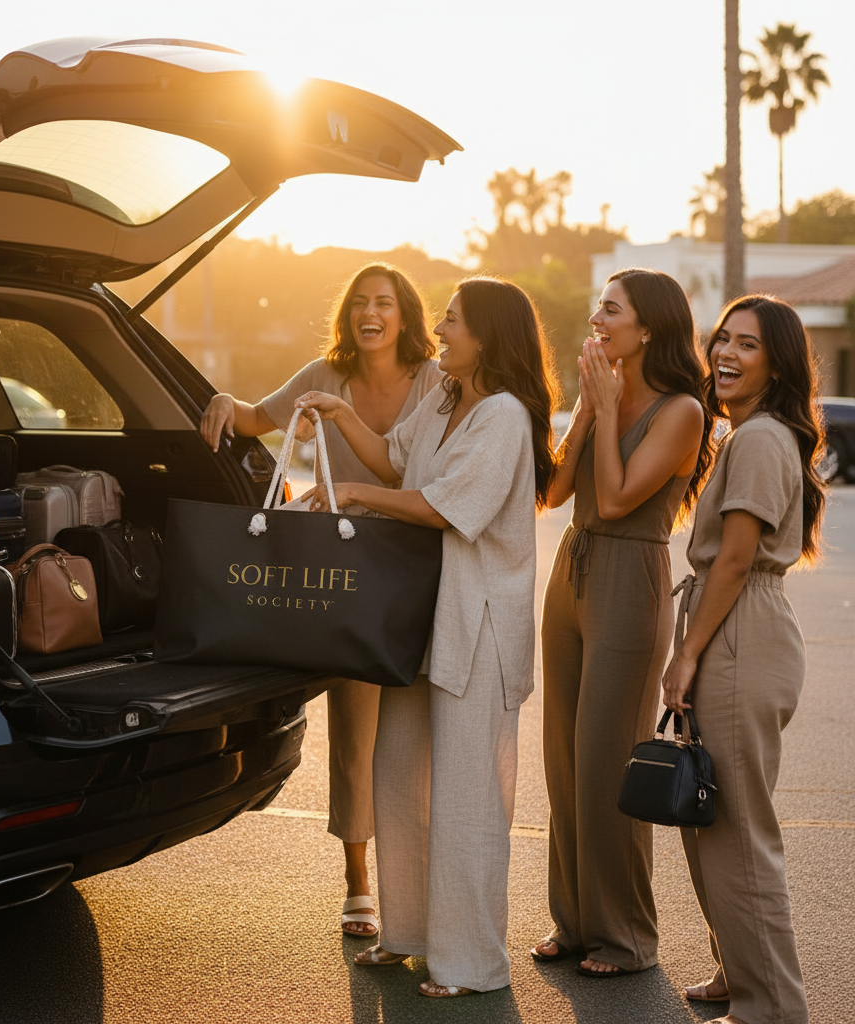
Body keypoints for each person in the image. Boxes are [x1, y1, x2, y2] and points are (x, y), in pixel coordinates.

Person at [296, 276, 559, 997]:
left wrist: (352, 494)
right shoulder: (447, 398)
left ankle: (472, 963)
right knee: (401, 772)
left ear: (487, 337)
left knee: (470, 797)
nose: (439, 329)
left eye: (452, 320)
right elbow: (391, 457)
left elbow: (446, 508)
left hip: (476, 625)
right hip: (419, 618)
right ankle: (408, 932)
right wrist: (338, 414)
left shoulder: (503, 415)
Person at [199, 264, 442, 938]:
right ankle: (358, 882)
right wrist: (224, 399)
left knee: (417, 736)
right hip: (345, 577)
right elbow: (254, 419)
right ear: (348, 314)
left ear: (405, 314)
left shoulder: (433, 380)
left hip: (420, 569)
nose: (371, 313)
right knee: (356, 735)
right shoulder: (322, 374)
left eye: (384, 303)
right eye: (360, 302)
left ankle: (416, 883)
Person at [535, 268, 713, 977]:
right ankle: (575, 923)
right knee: (564, 761)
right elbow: (554, 493)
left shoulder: (682, 411)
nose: (596, 318)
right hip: (571, 570)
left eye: (611, 308)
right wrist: (584, 411)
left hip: (629, 574)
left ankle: (627, 936)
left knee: (609, 762)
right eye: (597, 307)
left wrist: (608, 410)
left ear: (648, 328)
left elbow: (614, 500)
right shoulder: (602, 393)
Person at [662, 295, 825, 1024]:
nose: (725, 353)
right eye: (722, 339)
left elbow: (732, 560)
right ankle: (738, 971)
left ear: (778, 362)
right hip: (733, 623)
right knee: (712, 816)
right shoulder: (751, 434)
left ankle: (773, 1007)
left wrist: (685, 655)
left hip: (740, 629)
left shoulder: (759, 438)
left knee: (738, 832)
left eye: (748, 345)